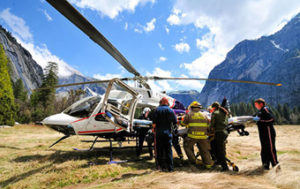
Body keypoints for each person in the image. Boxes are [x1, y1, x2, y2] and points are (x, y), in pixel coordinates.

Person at [181, 101, 213, 169]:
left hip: (192, 136)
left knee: (187, 146)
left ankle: (194, 161)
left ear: (191, 108)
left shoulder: (189, 114)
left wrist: (182, 120)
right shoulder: (204, 115)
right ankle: (208, 166)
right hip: (203, 136)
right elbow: (208, 125)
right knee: (204, 150)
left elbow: (183, 124)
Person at [152, 97, 177, 172]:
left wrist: (153, 129)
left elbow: (154, 124)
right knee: (168, 150)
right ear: (167, 102)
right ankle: (170, 168)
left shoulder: (157, 110)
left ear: (161, 102)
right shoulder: (170, 110)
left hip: (159, 133)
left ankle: (160, 167)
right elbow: (175, 121)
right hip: (168, 133)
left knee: (159, 150)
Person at [253, 98, 279, 170]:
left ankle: (276, 167)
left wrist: (260, 120)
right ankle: (265, 166)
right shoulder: (260, 111)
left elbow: (272, 119)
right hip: (263, 134)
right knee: (264, 150)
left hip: (268, 133)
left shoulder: (265, 109)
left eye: (256, 104)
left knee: (271, 150)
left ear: (261, 104)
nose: (255, 106)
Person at [210, 101, 229, 171]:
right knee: (213, 145)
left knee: (219, 150)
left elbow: (212, 125)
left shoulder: (215, 113)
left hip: (218, 133)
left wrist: (209, 129)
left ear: (213, 107)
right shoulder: (224, 112)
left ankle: (225, 167)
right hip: (224, 132)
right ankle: (218, 161)